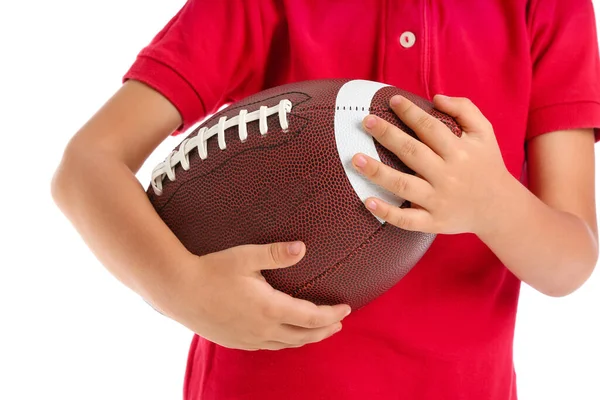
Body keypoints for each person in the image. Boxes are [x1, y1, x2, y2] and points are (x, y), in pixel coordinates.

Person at [51, 1, 600, 399]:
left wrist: (493, 202)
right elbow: (86, 166)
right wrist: (181, 287)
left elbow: (570, 262)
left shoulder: (549, 9)